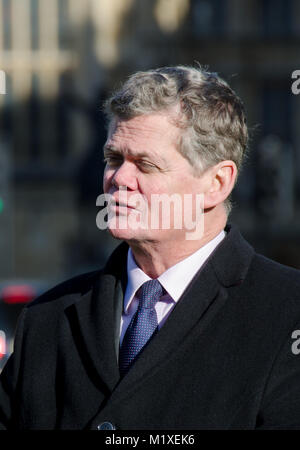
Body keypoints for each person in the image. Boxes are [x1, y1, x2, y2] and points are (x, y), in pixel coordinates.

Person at [1, 65, 300, 430]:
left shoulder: (287, 315)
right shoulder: (47, 320)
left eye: (146, 164)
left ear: (217, 183)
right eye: (114, 159)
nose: (119, 179)